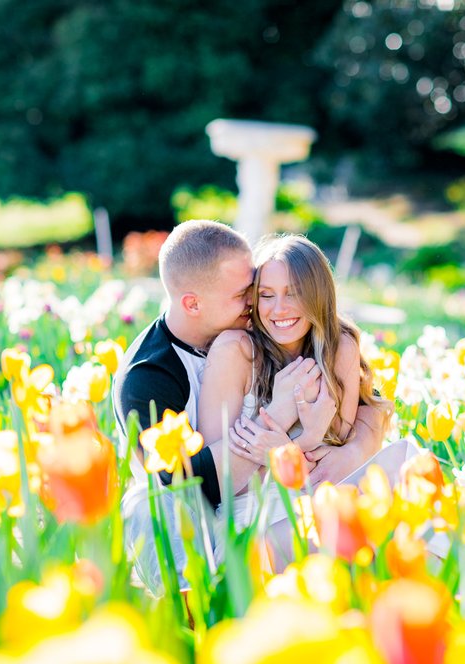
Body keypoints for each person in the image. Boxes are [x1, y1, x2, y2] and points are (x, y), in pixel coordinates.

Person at [114, 220, 385, 591]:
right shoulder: (148, 378)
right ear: (193, 303)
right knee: (153, 506)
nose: (258, 304)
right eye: (247, 293)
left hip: (279, 492)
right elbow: (192, 485)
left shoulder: (268, 332)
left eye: (254, 288)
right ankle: (197, 600)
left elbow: (371, 402)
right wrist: (281, 417)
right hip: (199, 515)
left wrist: (357, 446)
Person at [197, 234, 392, 528]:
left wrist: (292, 449)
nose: (279, 309)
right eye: (266, 295)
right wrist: (304, 441)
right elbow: (217, 482)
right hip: (254, 511)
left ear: (319, 295)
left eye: (294, 293)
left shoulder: (339, 349)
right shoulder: (235, 351)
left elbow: (335, 463)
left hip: (322, 496)